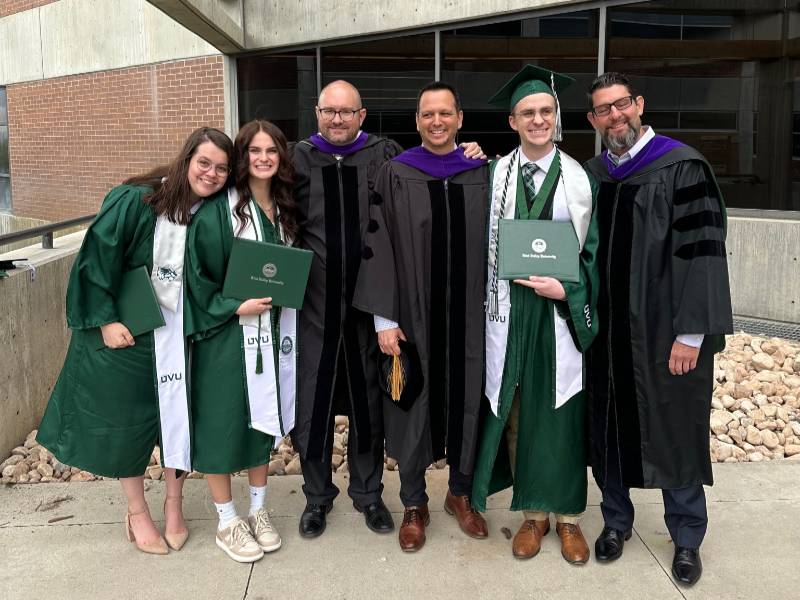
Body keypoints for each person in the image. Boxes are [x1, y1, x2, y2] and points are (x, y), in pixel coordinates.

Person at [290, 80, 484, 538]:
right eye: (329, 111)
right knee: (312, 405)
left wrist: (476, 152)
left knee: (370, 407)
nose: (337, 119)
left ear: (363, 115)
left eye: (347, 111)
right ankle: (317, 499)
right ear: (317, 114)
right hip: (316, 304)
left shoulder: (385, 156)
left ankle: (370, 495)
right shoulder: (298, 158)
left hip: (372, 309)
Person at [37, 127, 234, 555]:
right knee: (128, 423)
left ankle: (175, 507)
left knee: (179, 419)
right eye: (205, 163)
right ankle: (137, 512)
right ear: (186, 161)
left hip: (183, 336)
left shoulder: (216, 212)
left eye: (222, 168)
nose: (212, 173)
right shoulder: (138, 201)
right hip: (133, 333)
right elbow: (96, 259)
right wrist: (106, 321)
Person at [583, 72, 733, 586]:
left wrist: (692, 334)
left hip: (664, 334)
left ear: (639, 104)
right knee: (609, 430)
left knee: (673, 430)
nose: (615, 116)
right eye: (603, 110)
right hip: (606, 337)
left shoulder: (682, 167)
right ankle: (616, 522)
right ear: (593, 120)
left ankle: (687, 537)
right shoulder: (594, 174)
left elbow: (704, 255)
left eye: (621, 104)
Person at [470, 65, 600, 564]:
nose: (538, 119)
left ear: (557, 117)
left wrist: (564, 289)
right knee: (518, 412)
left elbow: (591, 252)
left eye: (546, 111)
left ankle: (567, 519)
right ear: (513, 121)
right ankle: (532, 515)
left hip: (558, 314)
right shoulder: (494, 175)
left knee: (561, 411)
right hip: (508, 312)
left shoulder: (580, 180)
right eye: (528, 113)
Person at [353, 81, 490, 552]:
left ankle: (460, 492)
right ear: (416, 122)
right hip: (412, 316)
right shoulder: (395, 174)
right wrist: (383, 321)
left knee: (468, 397)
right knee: (409, 401)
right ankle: (413, 501)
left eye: (445, 114)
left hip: (469, 316)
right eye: (428, 114)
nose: (437, 122)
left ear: (459, 118)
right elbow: (378, 246)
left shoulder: (480, 173)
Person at [185, 120, 299, 563]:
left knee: (260, 423)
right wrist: (235, 306)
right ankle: (227, 519)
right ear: (242, 156)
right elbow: (198, 280)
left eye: (272, 150)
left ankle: (257, 510)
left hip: (271, 336)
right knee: (220, 423)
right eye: (254, 150)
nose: (264, 158)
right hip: (225, 338)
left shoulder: (286, 209)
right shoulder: (217, 212)